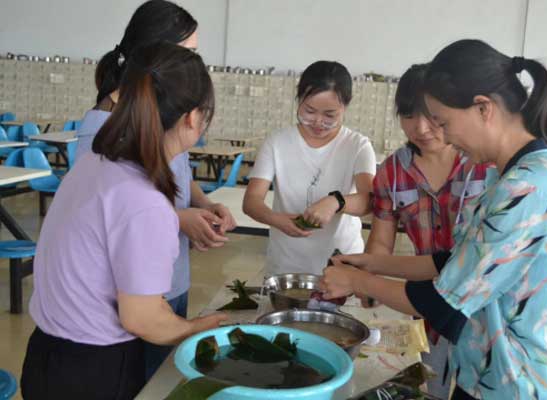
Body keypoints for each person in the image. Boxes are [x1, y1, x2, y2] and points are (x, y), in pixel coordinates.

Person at [321, 39, 547, 399]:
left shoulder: (527, 188)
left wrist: (356, 281)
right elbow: (456, 263)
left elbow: (444, 304)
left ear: (483, 109)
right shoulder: (505, 176)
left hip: (516, 386)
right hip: (486, 376)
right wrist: (370, 262)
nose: (439, 135)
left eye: (443, 122)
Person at [20, 42, 227, 400]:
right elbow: (141, 318)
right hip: (92, 373)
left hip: (45, 355)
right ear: (193, 118)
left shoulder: (97, 162)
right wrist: (196, 329)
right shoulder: (144, 200)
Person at [73, 0, 236, 379]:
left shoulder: (162, 114)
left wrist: (204, 204)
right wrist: (180, 219)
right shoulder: (103, 128)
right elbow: (104, 213)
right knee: (142, 380)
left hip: (168, 272)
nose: (194, 66)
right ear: (154, 55)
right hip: (132, 291)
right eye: (186, 53)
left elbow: (178, 174)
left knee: (159, 373)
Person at [366, 64, 489, 399]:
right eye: (408, 116)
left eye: (431, 117)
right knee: (428, 388)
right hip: (425, 308)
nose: (420, 128)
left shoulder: (484, 165)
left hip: (481, 312)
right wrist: (368, 281)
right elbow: (380, 239)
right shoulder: (392, 171)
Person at [243, 60, 376, 276]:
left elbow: (368, 200)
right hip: (286, 265)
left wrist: (335, 201)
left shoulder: (357, 145)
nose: (318, 122)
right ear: (298, 100)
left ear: (345, 107)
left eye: (329, 115)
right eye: (309, 111)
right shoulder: (277, 143)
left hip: (342, 264)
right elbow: (251, 201)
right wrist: (276, 219)